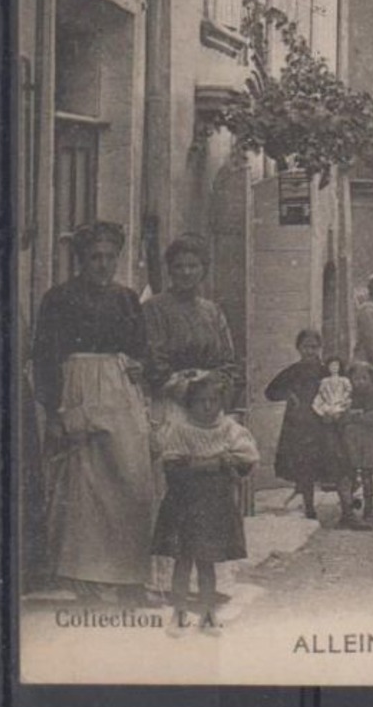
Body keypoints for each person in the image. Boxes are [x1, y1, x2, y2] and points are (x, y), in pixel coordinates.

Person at [31, 221, 154, 601]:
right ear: (82, 259)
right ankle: (84, 578)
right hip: (77, 387)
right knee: (83, 486)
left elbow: (142, 349)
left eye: (109, 257)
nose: (103, 264)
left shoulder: (127, 298)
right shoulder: (58, 298)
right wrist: (54, 410)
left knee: (133, 480)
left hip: (119, 390)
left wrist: (139, 366)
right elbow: (44, 356)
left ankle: (130, 577)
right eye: (95, 257)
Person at [151, 371, 259, 637]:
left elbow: (245, 460)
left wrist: (223, 463)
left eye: (213, 400)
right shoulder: (180, 431)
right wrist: (211, 463)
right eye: (201, 401)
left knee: (207, 563)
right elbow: (172, 466)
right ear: (189, 404)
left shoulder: (230, 430)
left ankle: (208, 615)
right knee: (183, 560)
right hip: (185, 504)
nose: (208, 406)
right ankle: (178, 615)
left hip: (215, 504)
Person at [143, 234, 240, 411]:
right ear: (170, 270)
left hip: (208, 401)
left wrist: (211, 383)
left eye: (193, 266)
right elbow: (154, 362)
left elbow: (227, 362)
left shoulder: (212, 311)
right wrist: (185, 387)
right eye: (179, 266)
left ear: (203, 269)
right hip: (169, 400)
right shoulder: (154, 308)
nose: (186, 272)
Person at [264, 329, 325, 520]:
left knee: (324, 462)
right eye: (306, 347)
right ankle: (309, 506)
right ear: (298, 348)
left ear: (319, 348)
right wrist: (288, 394)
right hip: (298, 424)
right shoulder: (293, 371)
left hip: (320, 422)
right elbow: (270, 392)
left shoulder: (325, 370)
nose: (310, 351)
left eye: (314, 347)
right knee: (304, 464)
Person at [311, 358, 367, 530]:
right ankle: (349, 514)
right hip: (334, 437)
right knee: (341, 471)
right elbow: (318, 407)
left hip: (350, 436)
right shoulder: (324, 389)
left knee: (351, 473)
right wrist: (327, 415)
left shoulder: (351, 392)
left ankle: (348, 513)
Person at [343, 361, 373, 524]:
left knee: (367, 473)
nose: (360, 382)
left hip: (368, 437)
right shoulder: (347, 393)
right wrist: (355, 416)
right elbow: (342, 414)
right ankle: (353, 504)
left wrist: (356, 416)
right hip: (352, 437)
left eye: (364, 378)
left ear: (370, 379)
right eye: (356, 378)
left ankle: (369, 508)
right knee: (351, 472)